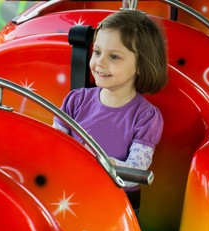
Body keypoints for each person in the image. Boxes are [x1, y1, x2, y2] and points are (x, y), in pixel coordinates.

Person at [53, 9, 168, 217]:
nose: (100, 63)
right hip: (70, 198)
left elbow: (135, 172)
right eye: (97, 52)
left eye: (114, 56)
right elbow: (54, 145)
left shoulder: (147, 117)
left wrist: (100, 163)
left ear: (141, 65)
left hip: (117, 208)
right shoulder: (75, 100)